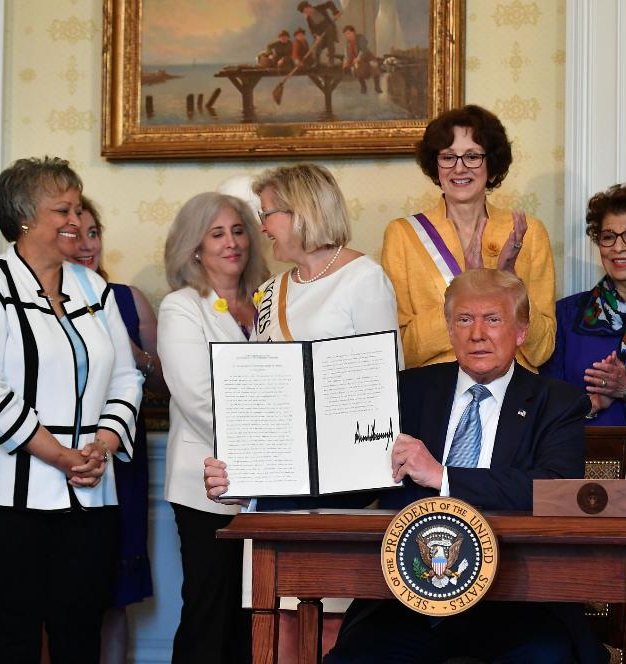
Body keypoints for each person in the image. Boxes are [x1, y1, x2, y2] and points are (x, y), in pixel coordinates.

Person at [205, 269, 607, 663]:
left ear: (520, 331)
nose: (478, 333)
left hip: (516, 599)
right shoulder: (407, 390)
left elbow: (555, 489)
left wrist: (443, 476)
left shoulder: (556, 402)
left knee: (547, 656)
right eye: (464, 319)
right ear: (449, 329)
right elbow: (347, 478)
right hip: (405, 599)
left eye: (493, 319)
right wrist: (250, 482)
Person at [0, 156, 142, 662]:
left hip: (89, 490)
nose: (76, 220)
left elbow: (125, 375)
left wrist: (103, 444)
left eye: (78, 207)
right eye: (63, 209)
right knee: (15, 635)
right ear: (24, 218)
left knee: (80, 631)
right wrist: (57, 455)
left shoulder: (93, 287)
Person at [158, 191, 269, 664]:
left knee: (256, 614)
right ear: (194, 247)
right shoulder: (182, 306)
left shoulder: (271, 300)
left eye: (239, 230)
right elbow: (197, 396)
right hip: (206, 487)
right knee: (211, 609)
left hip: (269, 488)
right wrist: (262, 455)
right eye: (217, 233)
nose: (232, 243)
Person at [381, 104, 556, 370]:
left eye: (472, 156)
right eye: (448, 157)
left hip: (513, 392)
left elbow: (543, 349)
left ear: (492, 165)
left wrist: (509, 281)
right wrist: (467, 291)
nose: (459, 168)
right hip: (436, 390)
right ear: (436, 165)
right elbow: (399, 348)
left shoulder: (528, 233)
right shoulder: (403, 235)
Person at [71, 196, 166, 664]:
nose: (87, 244)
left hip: (122, 459)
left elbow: (166, 386)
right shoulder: (37, 300)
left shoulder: (127, 299)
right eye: (76, 234)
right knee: (65, 594)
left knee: (113, 596)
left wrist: (135, 354)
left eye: (94, 233)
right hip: (62, 457)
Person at [540, 183, 626, 427]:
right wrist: (593, 403)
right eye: (608, 237)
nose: (618, 248)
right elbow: (545, 409)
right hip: (587, 459)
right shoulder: (567, 317)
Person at [250, 163, 399, 348]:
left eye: (266, 215)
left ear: (301, 212)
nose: (262, 227)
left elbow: (384, 370)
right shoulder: (270, 289)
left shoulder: (364, 277)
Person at [342, 25, 382, 93]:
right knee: (357, 70)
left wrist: (358, 58)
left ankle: (377, 87)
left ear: (353, 32)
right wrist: (345, 61)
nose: (347, 36)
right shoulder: (347, 43)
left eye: (348, 33)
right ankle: (363, 87)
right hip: (356, 60)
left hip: (367, 57)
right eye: (346, 34)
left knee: (374, 67)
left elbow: (363, 49)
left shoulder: (360, 38)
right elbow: (346, 54)